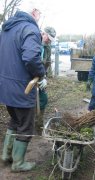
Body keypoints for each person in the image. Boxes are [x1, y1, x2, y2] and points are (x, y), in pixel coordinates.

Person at [0, 5, 47, 172]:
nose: (39, 19)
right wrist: (41, 74)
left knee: (15, 120)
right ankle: (18, 163)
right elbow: (31, 57)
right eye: (39, 15)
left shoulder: (7, 29)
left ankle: (6, 155)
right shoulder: (30, 28)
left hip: (5, 87)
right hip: (22, 88)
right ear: (34, 12)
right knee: (26, 125)